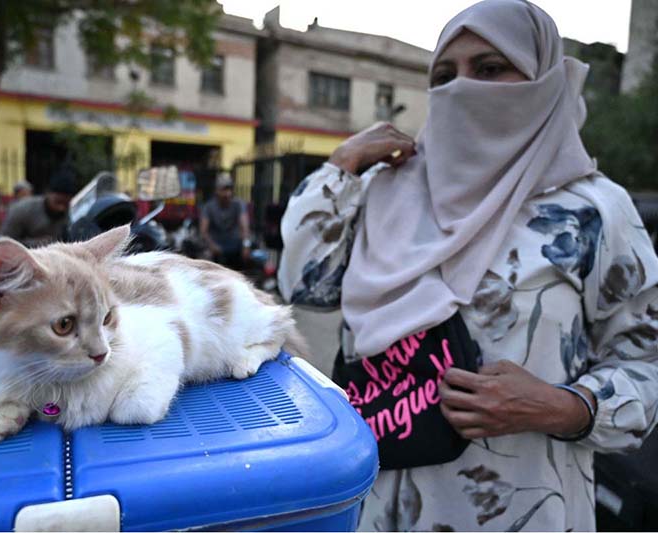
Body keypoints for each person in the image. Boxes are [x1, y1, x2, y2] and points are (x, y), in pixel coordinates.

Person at [279, 1, 658, 531]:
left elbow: (647, 362)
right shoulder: (384, 191)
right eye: (443, 75)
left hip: (521, 509)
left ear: (543, 80)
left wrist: (564, 406)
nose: (461, 89)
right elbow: (305, 285)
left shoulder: (591, 211)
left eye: (489, 69)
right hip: (380, 501)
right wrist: (339, 167)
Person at [0, 166, 78, 247]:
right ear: (47, 193)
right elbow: (4, 243)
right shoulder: (21, 210)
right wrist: (35, 243)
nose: (61, 208)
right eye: (58, 202)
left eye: (66, 204)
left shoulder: (65, 213)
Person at [199, 173, 251, 269]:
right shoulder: (208, 207)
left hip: (234, 244)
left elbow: (245, 227)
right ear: (216, 191)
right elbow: (203, 231)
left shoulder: (238, 204)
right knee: (205, 260)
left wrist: (246, 245)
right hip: (216, 245)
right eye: (224, 189)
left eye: (229, 189)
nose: (227, 193)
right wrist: (211, 245)